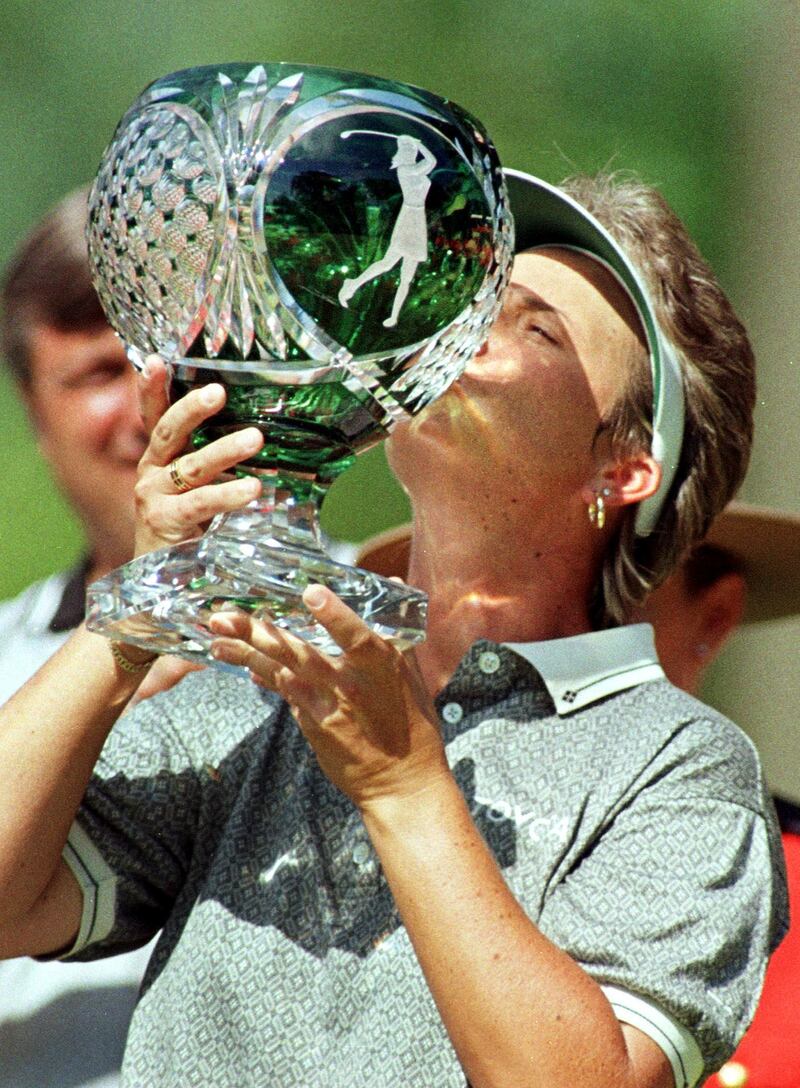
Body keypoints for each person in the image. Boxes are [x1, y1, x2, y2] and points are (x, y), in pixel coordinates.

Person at [0, 169, 788, 1088]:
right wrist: (142, 602)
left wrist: (402, 784)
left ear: (624, 468)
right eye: (464, 300)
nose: (452, 331)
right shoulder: (254, 703)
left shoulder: (680, 762)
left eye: (531, 325)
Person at [0, 187, 154, 1088]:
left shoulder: (388, 621)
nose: (150, 404)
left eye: (175, 357)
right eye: (101, 371)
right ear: (32, 409)